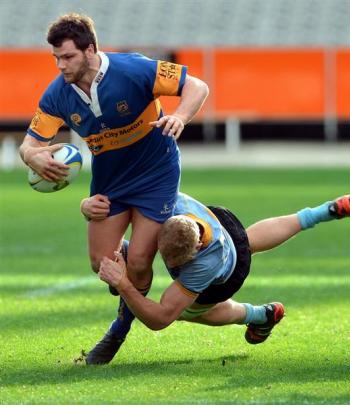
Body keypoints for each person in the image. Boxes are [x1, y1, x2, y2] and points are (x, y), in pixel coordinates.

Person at [18, 13, 209, 345]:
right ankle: (130, 255)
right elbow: (30, 143)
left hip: (156, 174)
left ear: (90, 49)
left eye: (68, 57)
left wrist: (179, 116)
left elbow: (197, 86)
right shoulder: (57, 95)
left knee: (136, 262)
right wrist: (32, 155)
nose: (60, 66)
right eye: (56, 58)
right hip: (110, 183)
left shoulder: (134, 70)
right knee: (100, 263)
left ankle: (121, 325)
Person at [82, 191, 350, 364]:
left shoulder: (204, 263)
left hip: (227, 270)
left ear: (196, 248)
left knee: (188, 312)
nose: (169, 266)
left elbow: (160, 319)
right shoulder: (168, 202)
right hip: (216, 221)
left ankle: (260, 315)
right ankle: (325, 211)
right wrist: (87, 206)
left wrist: (123, 282)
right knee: (246, 238)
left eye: (175, 263)